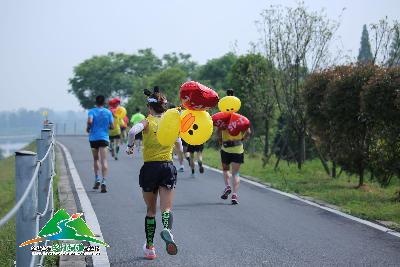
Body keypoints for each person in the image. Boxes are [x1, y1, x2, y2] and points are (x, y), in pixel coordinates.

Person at [126, 87, 178, 260]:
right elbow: (179, 142)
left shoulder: (147, 121)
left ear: (149, 107)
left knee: (150, 210)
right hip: (167, 167)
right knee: (166, 208)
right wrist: (177, 153)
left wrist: (130, 146)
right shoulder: (171, 123)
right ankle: (167, 230)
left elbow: (132, 132)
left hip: (150, 168)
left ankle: (150, 248)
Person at [86, 95, 114, 193]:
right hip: (104, 138)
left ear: (96, 102)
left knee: (96, 159)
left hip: (93, 138)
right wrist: (107, 127)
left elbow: (90, 121)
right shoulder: (108, 112)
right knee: (104, 160)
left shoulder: (92, 111)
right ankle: (104, 181)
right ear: (104, 102)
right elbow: (112, 126)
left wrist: (89, 128)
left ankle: (97, 178)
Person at [218, 127, 251, 204]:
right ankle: (234, 195)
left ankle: (228, 186)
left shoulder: (223, 119)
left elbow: (218, 132)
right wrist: (242, 139)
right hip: (238, 149)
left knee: (226, 170)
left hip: (226, 148)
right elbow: (248, 132)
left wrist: (220, 141)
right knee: (235, 173)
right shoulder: (240, 119)